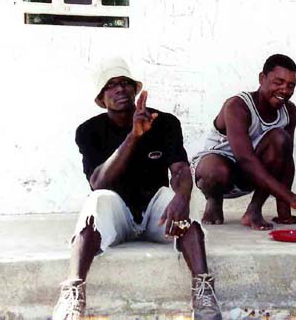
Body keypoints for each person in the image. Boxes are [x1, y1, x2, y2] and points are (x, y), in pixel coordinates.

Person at [52, 58, 221, 320]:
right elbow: (98, 182)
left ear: (135, 90)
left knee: (183, 200)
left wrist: (182, 197)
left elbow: (179, 169)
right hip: (117, 216)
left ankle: (203, 292)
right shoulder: (89, 131)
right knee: (95, 202)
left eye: (125, 83)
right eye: (111, 85)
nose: (120, 89)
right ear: (101, 98)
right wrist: (134, 136)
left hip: (158, 216)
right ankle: (73, 292)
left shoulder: (164, 122)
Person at [192, 54, 296, 230]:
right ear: (262, 78)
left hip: (253, 176)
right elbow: (245, 159)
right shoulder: (237, 106)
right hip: (218, 172)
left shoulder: (289, 111)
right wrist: (291, 197)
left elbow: (286, 159)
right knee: (214, 170)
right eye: (278, 82)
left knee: (280, 139)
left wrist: (285, 214)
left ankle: (254, 210)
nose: (285, 90)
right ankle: (214, 200)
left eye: (291, 86)